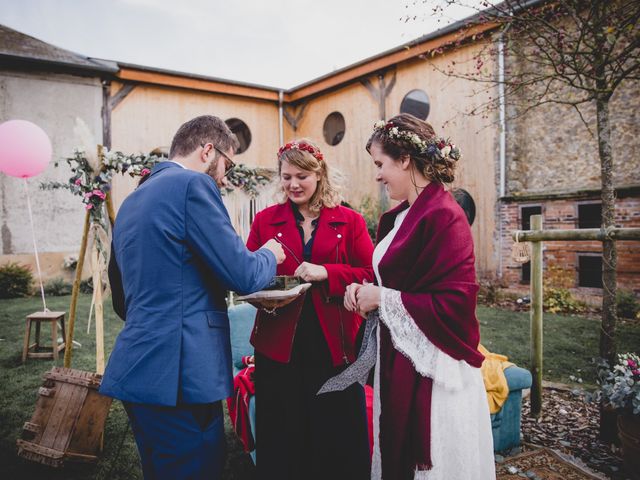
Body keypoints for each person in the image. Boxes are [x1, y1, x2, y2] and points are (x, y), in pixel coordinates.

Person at [101, 115, 286, 480]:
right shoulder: (192, 186)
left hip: (137, 367)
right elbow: (243, 275)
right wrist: (268, 254)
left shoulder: (131, 202)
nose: (225, 176)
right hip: (180, 376)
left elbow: (121, 298)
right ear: (207, 151)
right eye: (227, 164)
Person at [344, 114, 495, 479]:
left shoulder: (446, 216)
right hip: (398, 360)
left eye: (381, 164)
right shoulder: (399, 218)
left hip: (434, 372)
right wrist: (363, 289)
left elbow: (455, 304)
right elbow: (396, 277)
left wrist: (383, 298)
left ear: (406, 160)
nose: (377, 175)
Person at [246, 138, 374, 479]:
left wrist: (327, 272)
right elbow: (248, 272)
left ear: (319, 175)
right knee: (282, 428)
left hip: (334, 343)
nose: (293, 184)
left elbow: (369, 274)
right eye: (286, 176)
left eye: (302, 176)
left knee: (336, 428)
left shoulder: (350, 221)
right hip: (277, 343)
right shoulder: (264, 221)